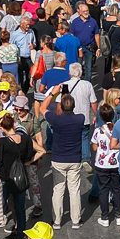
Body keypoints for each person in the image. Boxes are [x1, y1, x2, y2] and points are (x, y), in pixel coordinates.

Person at [44, 92, 87, 229]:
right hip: (74, 159)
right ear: (74, 106)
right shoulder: (80, 118)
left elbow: (42, 108)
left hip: (58, 159)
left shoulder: (55, 120)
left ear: (60, 107)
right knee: (74, 191)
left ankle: (57, 221)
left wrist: (52, 93)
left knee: (58, 190)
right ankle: (75, 220)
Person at [91, 102, 120, 226]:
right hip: (116, 163)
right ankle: (119, 215)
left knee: (103, 190)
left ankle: (104, 217)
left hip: (102, 164)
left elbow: (94, 147)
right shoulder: (118, 130)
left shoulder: (98, 131)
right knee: (117, 189)